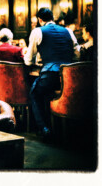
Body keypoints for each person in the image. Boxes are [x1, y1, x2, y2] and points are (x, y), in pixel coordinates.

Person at [24, 8, 80, 139]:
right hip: (69, 77)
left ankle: (44, 128)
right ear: (53, 18)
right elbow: (77, 54)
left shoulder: (37, 31)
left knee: (35, 93)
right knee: (47, 93)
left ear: (40, 20)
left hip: (50, 75)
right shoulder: (68, 31)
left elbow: (28, 60)